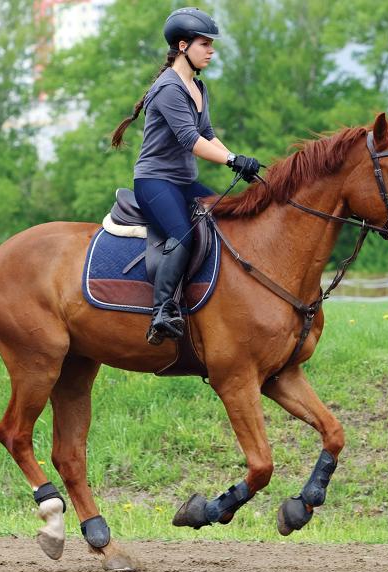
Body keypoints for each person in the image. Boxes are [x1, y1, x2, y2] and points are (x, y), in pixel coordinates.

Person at [111, 7, 262, 345]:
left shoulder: (198, 87)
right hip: (155, 181)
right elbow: (191, 141)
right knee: (183, 234)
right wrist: (232, 158)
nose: (211, 50)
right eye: (205, 44)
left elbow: (206, 133)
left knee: (225, 221)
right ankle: (162, 311)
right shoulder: (169, 88)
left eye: (211, 45)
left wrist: (237, 162)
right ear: (183, 46)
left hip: (182, 182)